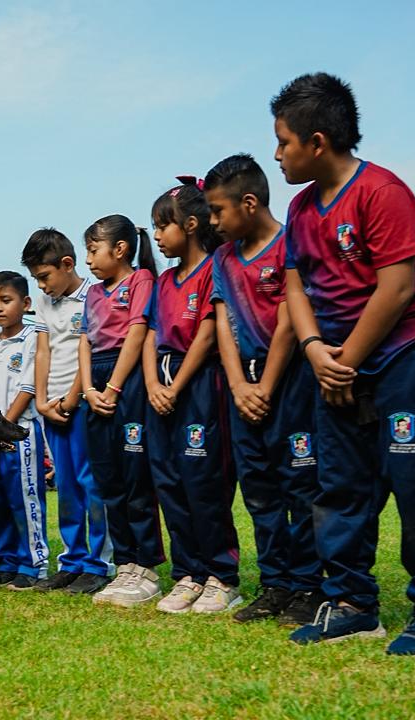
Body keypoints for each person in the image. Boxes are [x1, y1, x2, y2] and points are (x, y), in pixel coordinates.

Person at [273, 72, 415, 655]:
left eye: (282, 141)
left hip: (400, 356)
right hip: (333, 364)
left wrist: (347, 360)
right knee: (337, 488)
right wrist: (315, 352)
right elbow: (294, 285)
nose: (278, 154)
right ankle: (353, 605)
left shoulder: (382, 191)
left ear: (317, 142)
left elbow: (398, 287)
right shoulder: (301, 207)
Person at [205, 154, 324, 627]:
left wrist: (266, 386)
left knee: (301, 485)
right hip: (242, 383)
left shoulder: (288, 244)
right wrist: (238, 384)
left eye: (218, 211)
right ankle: (276, 583)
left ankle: (311, 585)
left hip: (290, 378)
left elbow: (289, 320)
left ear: (249, 203)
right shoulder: (223, 258)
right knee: (259, 491)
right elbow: (221, 322)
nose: (212, 222)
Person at [140, 181, 240, 615]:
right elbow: (147, 334)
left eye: (164, 226)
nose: (158, 236)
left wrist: (176, 387)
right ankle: (188, 574)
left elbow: (206, 332)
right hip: (158, 386)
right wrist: (152, 386)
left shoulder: (214, 268)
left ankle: (222, 576)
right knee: (169, 482)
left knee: (205, 482)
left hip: (199, 385)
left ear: (192, 225)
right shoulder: (163, 280)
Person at [78, 214, 164, 608]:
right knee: (108, 479)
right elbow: (84, 342)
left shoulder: (142, 280)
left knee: (135, 478)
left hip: (125, 380)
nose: (89, 260)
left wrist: (113, 387)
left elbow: (138, 332)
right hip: (95, 383)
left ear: (120, 249)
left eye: (94, 250)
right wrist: (88, 389)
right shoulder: (93, 292)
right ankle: (125, 564)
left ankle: (146, 567)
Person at [22, 228, 112, 595]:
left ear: (67, 264)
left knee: (91, 485)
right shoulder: (45, 303)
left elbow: (86, 350)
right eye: (36, 280)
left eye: (45, 277)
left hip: (83, 404)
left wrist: (73, 397)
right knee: (67, 486)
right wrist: (42, 400)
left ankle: (99, 562)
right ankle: (72, 561)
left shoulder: (93, 295)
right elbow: (43, 351)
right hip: (51, 406)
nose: (42, 287)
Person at [0, 271, 48, 590]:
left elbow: (28, 386)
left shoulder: (32, 339)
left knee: (23, 497)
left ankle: (33, 564)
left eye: (6, 300)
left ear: (26, 302)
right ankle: (5, 561)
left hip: (19, 434)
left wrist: (1, 429)